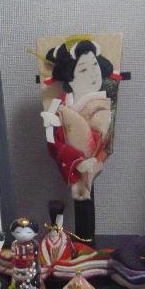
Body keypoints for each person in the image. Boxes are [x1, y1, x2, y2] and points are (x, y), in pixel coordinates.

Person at [40, 39, 119, 200]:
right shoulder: (60, 103)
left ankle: (84, 181)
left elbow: (106, 144)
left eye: (95, 65)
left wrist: (93, 162)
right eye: (83, 69)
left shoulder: (101, 105)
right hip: (71, 159)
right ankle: (78, 178)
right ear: (69, 77)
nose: (93, 73)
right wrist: (52, 127)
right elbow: (52, 140)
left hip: (93, 160)